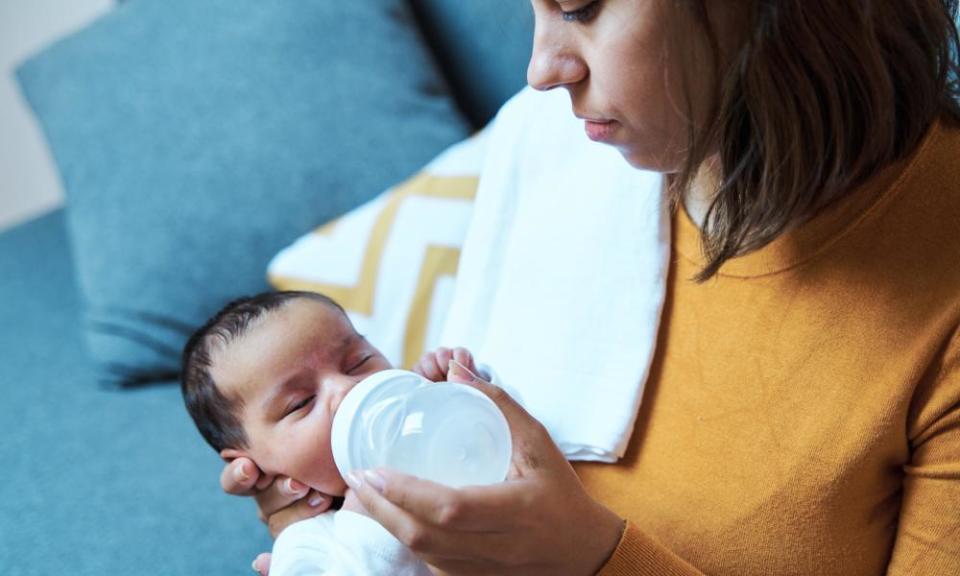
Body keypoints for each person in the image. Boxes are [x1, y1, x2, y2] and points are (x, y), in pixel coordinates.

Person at [224, 1, 960, 574]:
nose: (541, 71)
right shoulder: (559, 148)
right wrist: (312, 522)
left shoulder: (935, 304)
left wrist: (588, 559)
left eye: (581, 8)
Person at [180, 290, 488, 575]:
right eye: (300, 403)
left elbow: (512, 445)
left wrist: (462, 390)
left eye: (359, 362)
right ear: (254, 467)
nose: (346, 389)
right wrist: (368, 521)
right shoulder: (307, 544)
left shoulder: (433, 427)